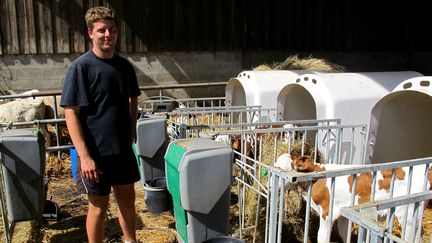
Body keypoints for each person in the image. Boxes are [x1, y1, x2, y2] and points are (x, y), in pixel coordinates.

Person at [60, 6, 140, 243]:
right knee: (98, 206)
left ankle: (130, 241)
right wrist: (84, 156)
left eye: (112, 30)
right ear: (90, 33)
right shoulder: (81, 68)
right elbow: (71, 113)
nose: (108, 35)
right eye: (102, 30)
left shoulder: (124, 67)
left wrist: (132, 127)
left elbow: (133, 97)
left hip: (122, 149)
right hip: (96, 152)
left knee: (127, 198)